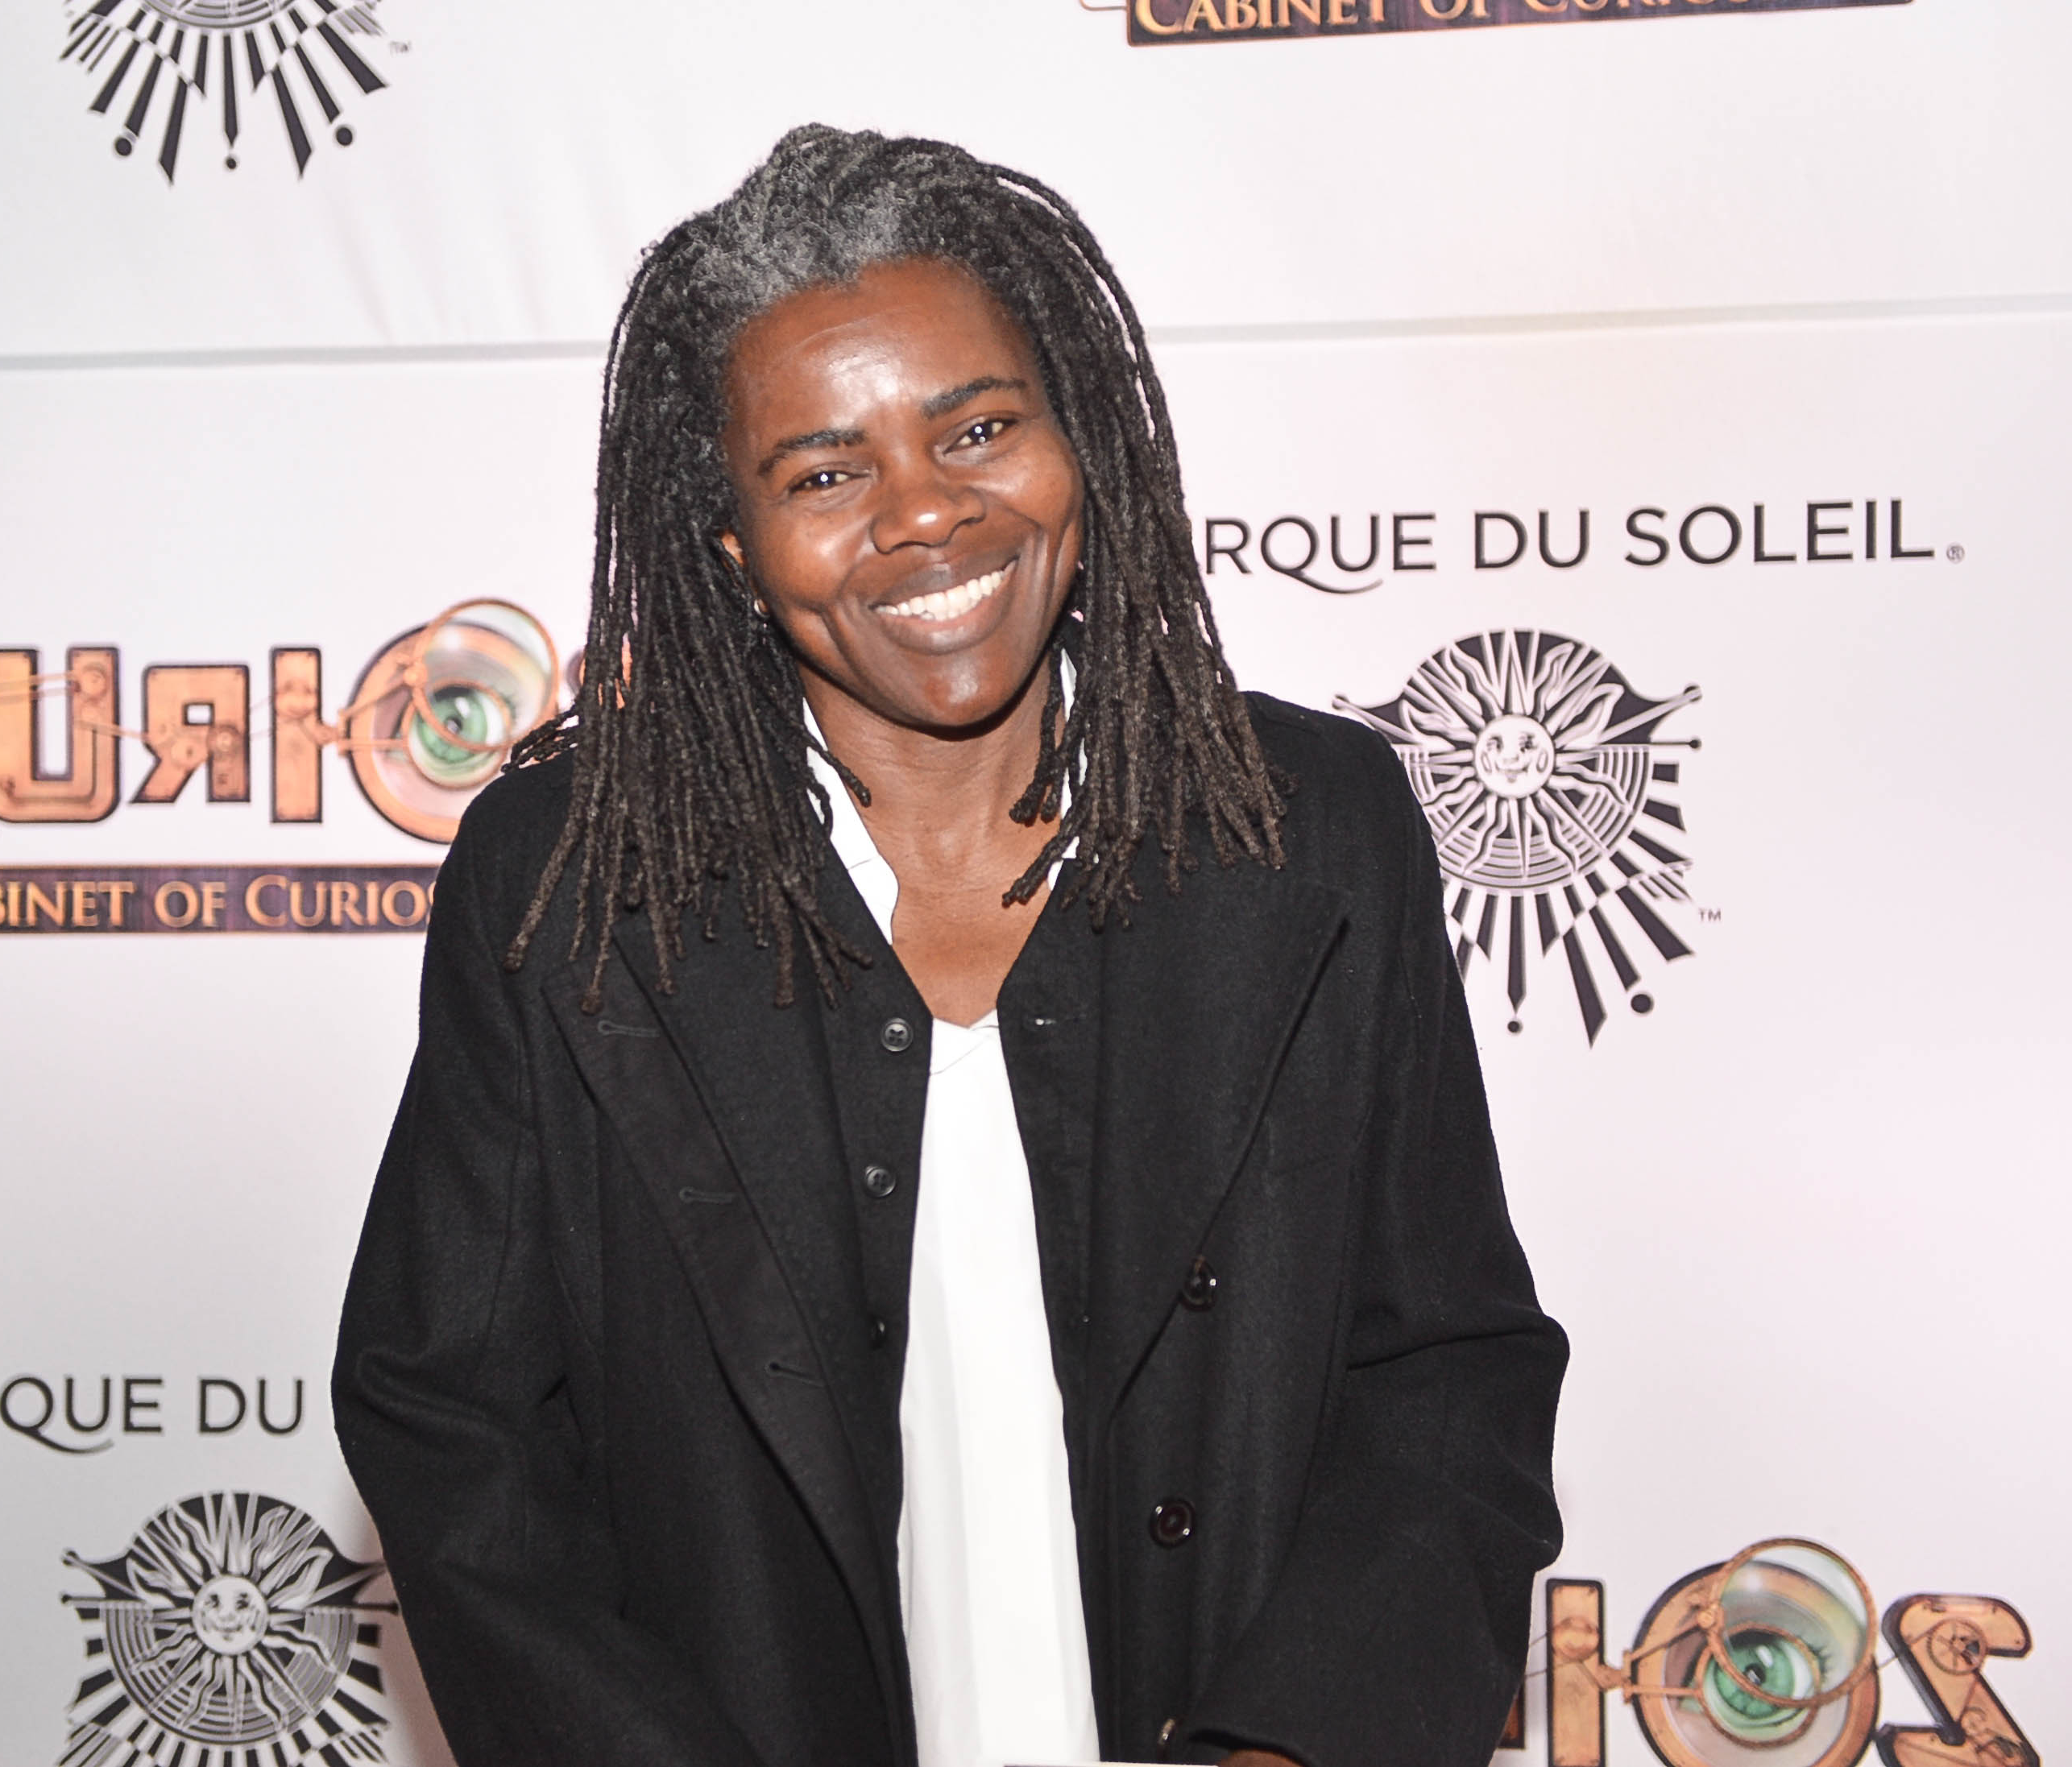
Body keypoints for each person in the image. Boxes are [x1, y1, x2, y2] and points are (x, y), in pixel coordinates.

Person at [334, 125, 1566, 1767]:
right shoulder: (570, 883)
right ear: (730, 546)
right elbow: (451, 1422)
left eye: (980, 427)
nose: (926, 513)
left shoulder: (1309, 831)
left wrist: (1290, 1743)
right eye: (824, 473)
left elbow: (1448, 1374)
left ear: (1080, 445)